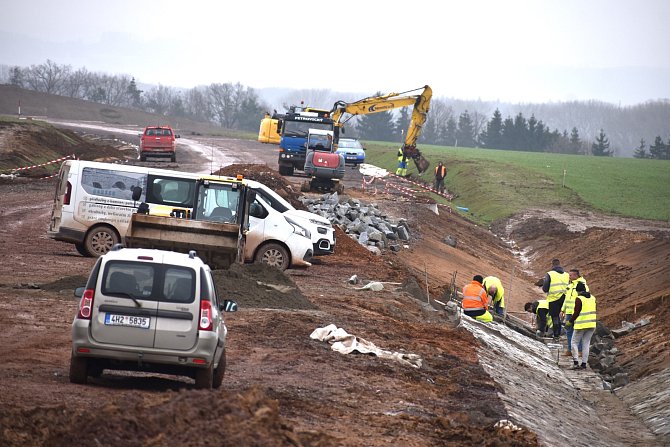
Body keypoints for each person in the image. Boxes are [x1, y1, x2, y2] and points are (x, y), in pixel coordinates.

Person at [560, 269, 589, 356]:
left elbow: (584, 298)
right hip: (569, 312)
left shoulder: (581, 285)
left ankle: (579, 350)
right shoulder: (570, 285)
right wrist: (562, 310)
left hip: (577, 312)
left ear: (576, 276)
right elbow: (566, 299)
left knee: (578, 331)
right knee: (569, 331)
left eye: (571, 275)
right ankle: (570, 350)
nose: (569, 277)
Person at [566, 289, 597, 370]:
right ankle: (584, 364)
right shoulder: (593, 298)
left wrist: (570, 321)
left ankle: (576, 363)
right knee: (586, 344)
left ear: (578, 291)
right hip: (591, 324)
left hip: (581, 325)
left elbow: (576, 312)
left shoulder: (579, 298)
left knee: (574, 342)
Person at [540, 259, 570, 342]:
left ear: (552, 265)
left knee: (555, 317)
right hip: (564, 298)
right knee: (562, 316)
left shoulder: (550, 274)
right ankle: (562, 334)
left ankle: (556, 335)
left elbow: (545, 289)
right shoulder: (567, 275)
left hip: (554, 299)